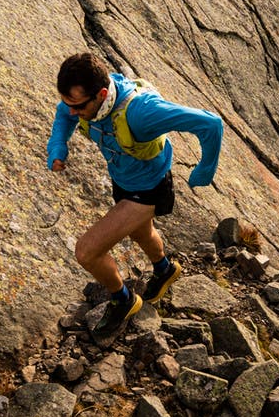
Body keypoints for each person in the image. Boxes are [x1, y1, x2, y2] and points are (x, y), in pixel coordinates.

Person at [46, 52, 224, 335]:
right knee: (141, 233)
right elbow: (63, 116)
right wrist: (57, 147)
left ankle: (124, 300)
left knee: (87, 252)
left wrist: (205, 169)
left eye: (77, 106)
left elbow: (211, 123)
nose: (71, 112)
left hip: (150, 189)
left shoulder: (141, 112)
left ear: (102, 94)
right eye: (69, 103)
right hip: (124, 181)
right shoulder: (83, 103)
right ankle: (165, 270)